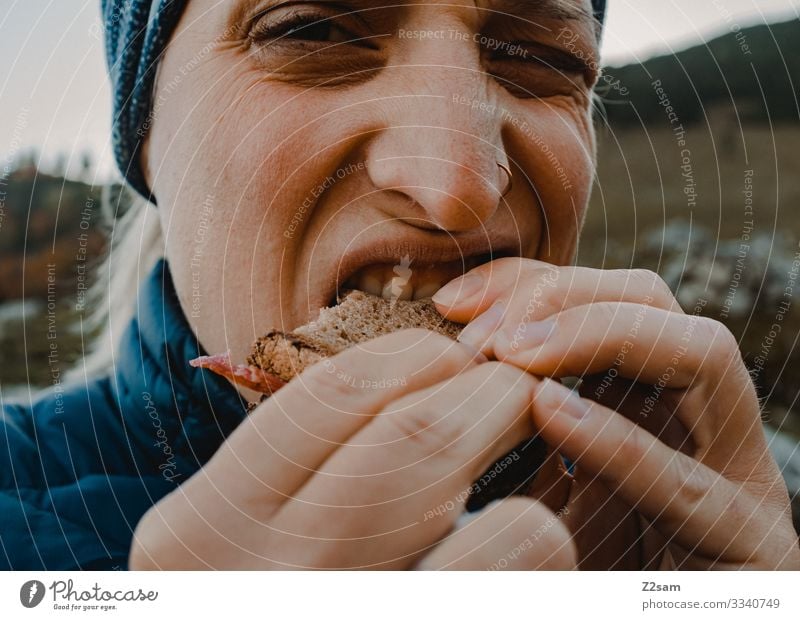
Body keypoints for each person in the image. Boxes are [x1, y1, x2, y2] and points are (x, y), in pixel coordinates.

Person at [2, 0, 798, 570]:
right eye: (312, 31)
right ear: (142, 138)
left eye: (542, 57)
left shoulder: (718, 513)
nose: (456, 187)